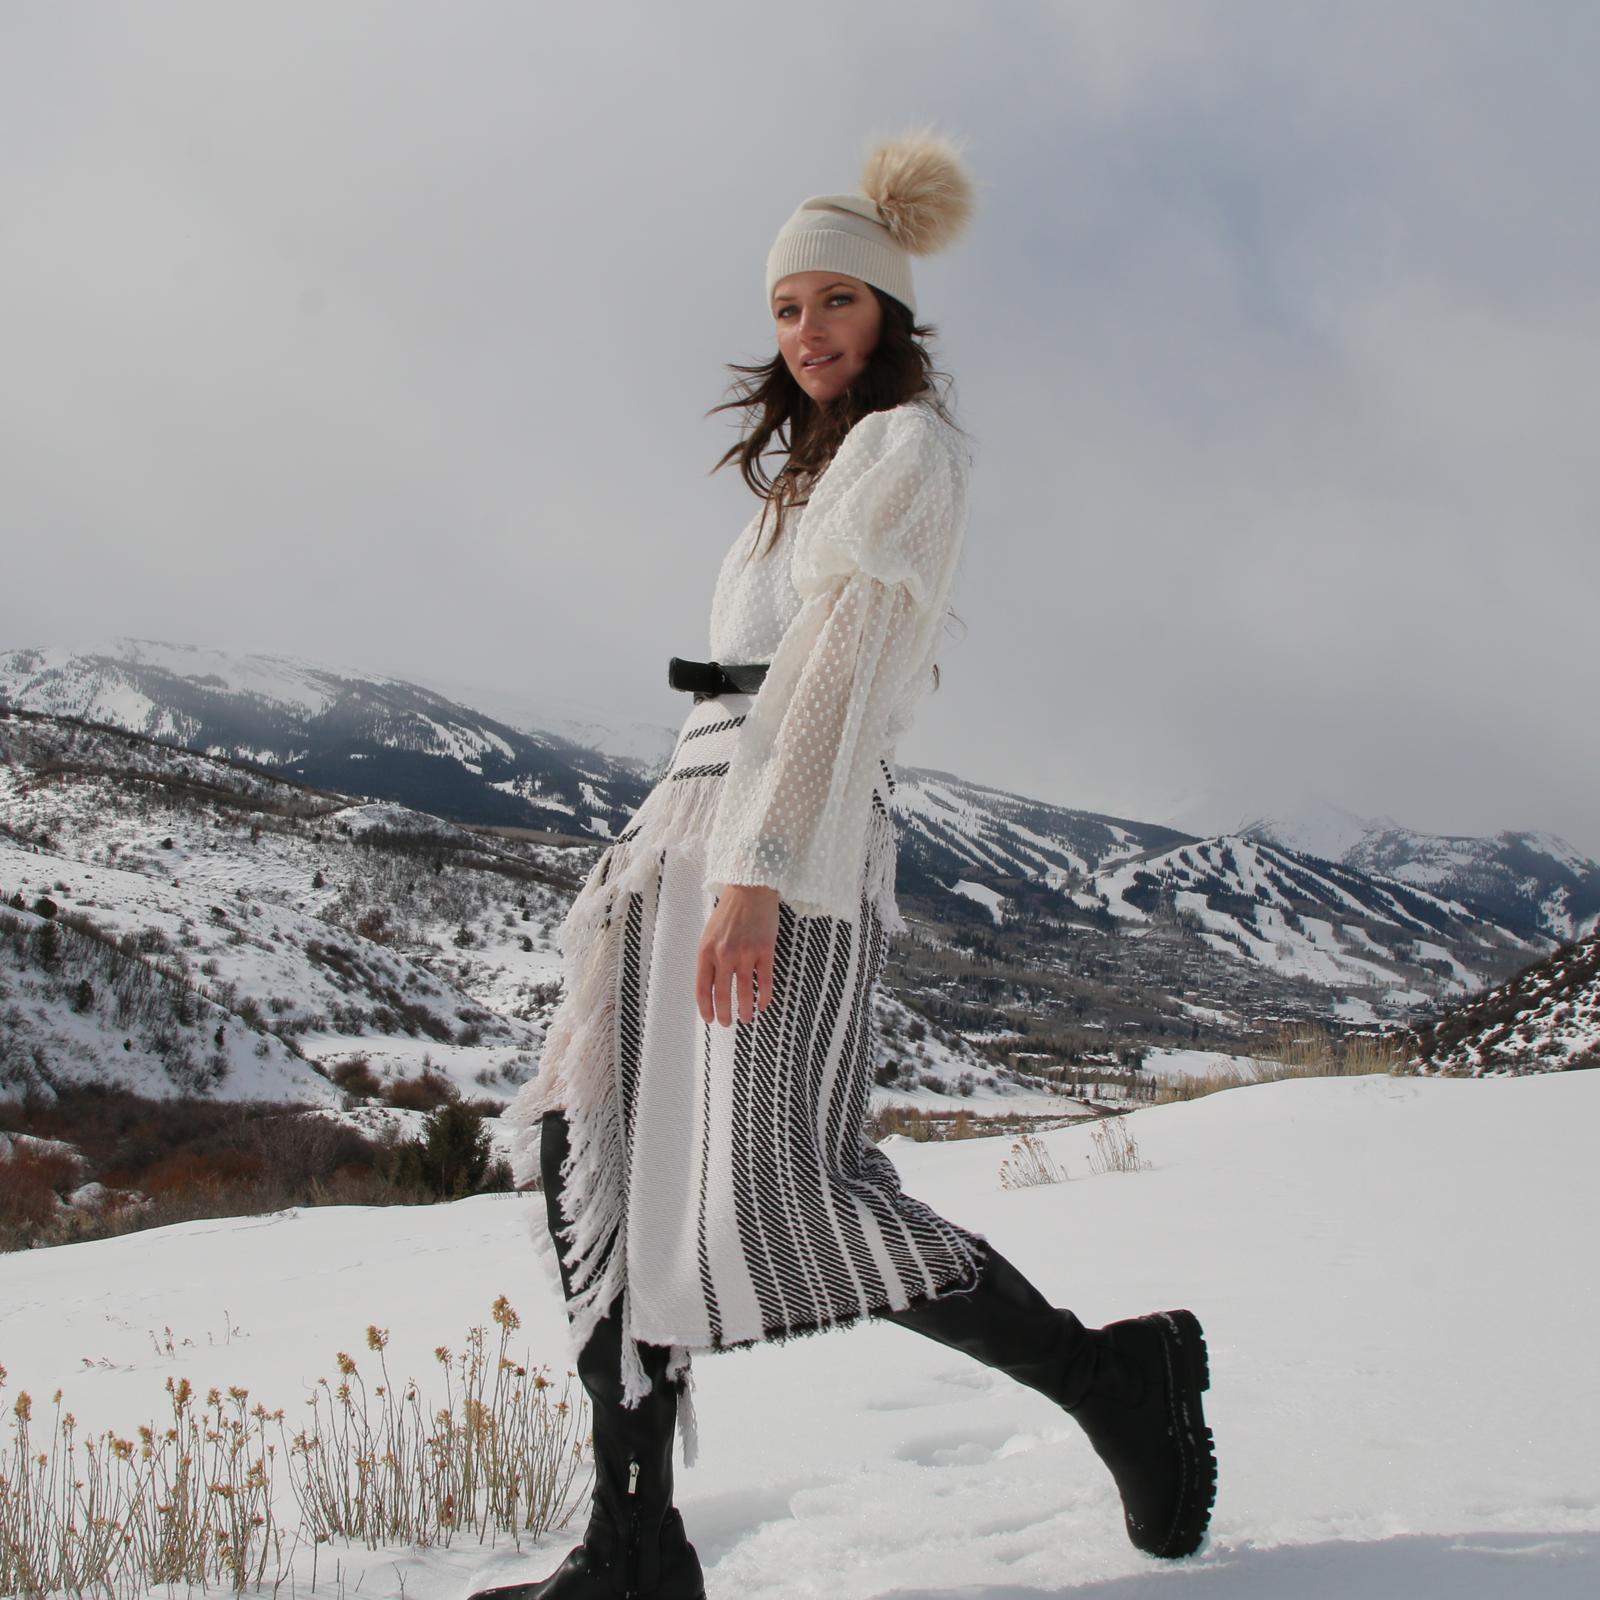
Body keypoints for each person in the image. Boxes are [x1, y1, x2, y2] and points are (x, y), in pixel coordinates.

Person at [480, 136, 1215, 1600]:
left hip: (785, 852)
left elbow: (834, 680)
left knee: (786, 1192)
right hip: (677, 837)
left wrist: (753, 870)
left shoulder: (904, 454)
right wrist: (690, 853)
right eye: (786, 309)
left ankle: (1115, 1383)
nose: (808, 333)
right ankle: (634, 1546)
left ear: (889, 313)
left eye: (837, 303)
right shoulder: (792, 479)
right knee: (591, 1153)